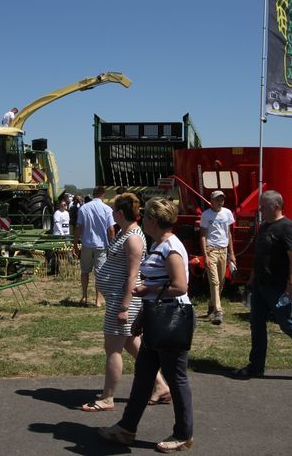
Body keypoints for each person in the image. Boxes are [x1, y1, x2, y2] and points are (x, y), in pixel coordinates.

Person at [98, 197, 194, 453]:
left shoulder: (171, 247)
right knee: (143, 377)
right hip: (156, 317)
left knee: (177, 378)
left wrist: (145, 289)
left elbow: (180, 286)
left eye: (146, 217)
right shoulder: (158, 245)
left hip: (173, 318)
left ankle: (184, 434)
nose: (142, 220)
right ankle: (127, 428)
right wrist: (141, 317)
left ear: (153, 220)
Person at [81, 193, 169, 413]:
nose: (111, 214)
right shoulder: (124, 232)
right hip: (117, 299)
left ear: (120, 213)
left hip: (123, 301)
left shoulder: (133, 238)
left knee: (112, 349)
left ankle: (107, 397)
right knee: (131, 343)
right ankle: (161, 387)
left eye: (113, 211)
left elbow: (133, 275)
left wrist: (124, 306)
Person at [234, 190, 292, 383]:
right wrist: (251, 282)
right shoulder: (264, 227)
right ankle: (256, 366)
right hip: (261, 287)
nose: (260, 209)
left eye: (263, 205)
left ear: (276, 206)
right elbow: (259, 258)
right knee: (257, 326)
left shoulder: (287, 227)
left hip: (278, 288)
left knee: (288, 325)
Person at [73, 186, 115, 306]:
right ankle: (98, 300)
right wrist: (113, 245)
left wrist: (75, 244)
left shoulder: (84, 208)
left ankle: (85, 296)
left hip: (87, 244)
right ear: (103, 195)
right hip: (101, 245)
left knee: (85, 271)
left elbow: (78, 227)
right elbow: (111, 230)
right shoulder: (107, 209)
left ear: (93, 194)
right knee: (100, 273)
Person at [199, 190, 235, 325]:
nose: (220, 202)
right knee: (214, 282)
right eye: (217, 199)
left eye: (222, 199)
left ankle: (211, 303)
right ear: (211, 201)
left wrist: (231, 254)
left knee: (221, 282)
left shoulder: (227, 213)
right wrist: (205, 256)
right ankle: (218, 311)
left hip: (223, 251)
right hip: (211, 251)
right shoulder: (206, 215)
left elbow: (229, 234)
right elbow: (202, 235)